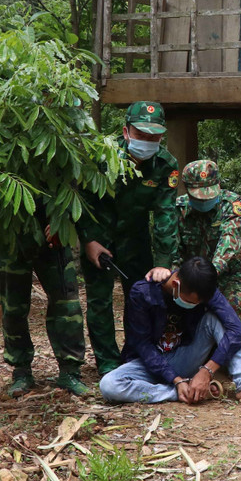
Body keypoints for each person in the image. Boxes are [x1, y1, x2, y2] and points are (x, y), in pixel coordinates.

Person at [99, 257, 241, 408]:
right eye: (191, 301)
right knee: (109, 385)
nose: (195, 305)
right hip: (149, 364)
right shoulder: (142, 293)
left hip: (185, 356)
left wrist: (207, 370)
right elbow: (142, 345)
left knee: (217, 321)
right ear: (177, 284)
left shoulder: (204, 290)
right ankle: (182, 391)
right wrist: (177, 381)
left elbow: (236, 330)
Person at [77, 101, 179, 376]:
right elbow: (80, 198)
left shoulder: (166, 165)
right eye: (141, 135)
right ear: (126, 131)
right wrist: (88, 240)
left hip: (135, 239)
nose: (148, 141)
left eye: (154, 136)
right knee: (100, 300)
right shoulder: (99, 156)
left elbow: (165, 214)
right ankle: (108, 363)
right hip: (99, 238)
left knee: (140, 298)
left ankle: (135, 355)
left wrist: (163, 261)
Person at [174, 159, 241, 356]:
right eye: (198, 197)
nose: (204, 201)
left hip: (225, 275)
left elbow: (229, 242)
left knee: (232, 351)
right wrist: (176, 278)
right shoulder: (178, 209)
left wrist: (207, 276)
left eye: (208, 196)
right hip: (189, 278)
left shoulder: (231, 203)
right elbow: (173, 250)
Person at [0, 205, 87, 397]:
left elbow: (72, 181)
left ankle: (70, 372)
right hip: (10, 232)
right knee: (13, 307)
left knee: (67, 304)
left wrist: (62, 219)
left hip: (51, 231)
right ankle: (21, 372)